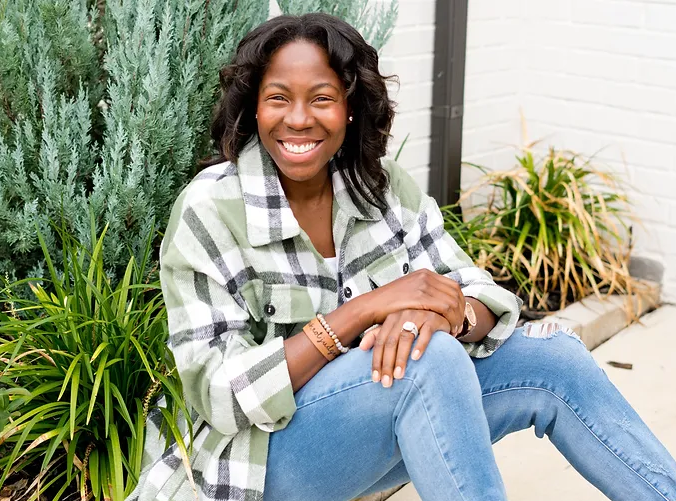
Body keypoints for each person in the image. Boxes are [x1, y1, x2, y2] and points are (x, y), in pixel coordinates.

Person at [127, 12, 676, 501]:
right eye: (278, 98)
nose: (298, 119)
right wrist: (365, 311)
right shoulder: (210, 210)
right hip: (254, 466)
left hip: (375, 426)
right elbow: (220, 397)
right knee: (424, 358)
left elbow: (479, 293)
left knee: (553, 359)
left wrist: (445, 314)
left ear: (350, 107)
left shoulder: (379, 187)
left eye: (321, 98)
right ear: (253, 107)